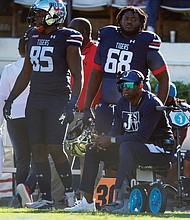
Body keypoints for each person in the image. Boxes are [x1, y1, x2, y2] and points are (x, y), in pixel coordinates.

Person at [3, 0, 83, 210]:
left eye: (40, 13)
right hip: (35, 99)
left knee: (55, 148)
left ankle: (69, 195)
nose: (36, 17)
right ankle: (46, 197)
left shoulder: (68, 36)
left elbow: (78, 75)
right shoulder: (32, 35)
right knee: (37, 148)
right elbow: (26, 73)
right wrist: (11, 99)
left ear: (54, 15)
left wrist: (71, 104)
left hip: (57, 98)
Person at [64, 69, 174, 213]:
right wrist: (103, 140)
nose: (125, 89)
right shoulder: (122, 102)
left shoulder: (151, 103)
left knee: (126, 147)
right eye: (122, 85)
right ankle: (87, 201)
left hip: (159, 148)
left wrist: (112, 139)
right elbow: (116, 130)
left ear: (140, 86)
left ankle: (121, 199)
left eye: (128, 85)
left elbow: (142, 137)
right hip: (132, 147)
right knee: (93, 149)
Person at [82, 6, 170, 137]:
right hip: (107, 106)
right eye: (126, 18)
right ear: (119, 20)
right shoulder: (107, 38)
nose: (129, 22)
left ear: (141, 23)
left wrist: (157, 109)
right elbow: (95, 75)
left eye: (134, 19)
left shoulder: (145, 43)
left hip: (135, 110)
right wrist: (87, 106)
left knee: (130, 146)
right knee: (103, 145)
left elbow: (164, 79)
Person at [50, 17, 100, 204]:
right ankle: (56, 200)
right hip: (66, 113)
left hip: (90, 114)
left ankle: (88, 203)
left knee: (91, 161)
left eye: (74, 30)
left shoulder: (98, 51)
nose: (69, 33)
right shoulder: (64, 49)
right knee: (59, 157)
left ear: (85, 34)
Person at [0, 36, 36, 207]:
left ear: (19, 50)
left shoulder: (8, 69)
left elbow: (2, 97)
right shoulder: (38, 67)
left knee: (22, 159)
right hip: (35, 115)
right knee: (40, 156)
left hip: (14, 116)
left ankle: (21, 198)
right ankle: (28, 187)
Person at [155, 83, 190, 193]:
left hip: (171, 145)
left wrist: (173, 148)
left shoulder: (180, 111)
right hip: (155, 143)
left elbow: (183, 134)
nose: (158, 95)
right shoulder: (153, 106)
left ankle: (170, 190)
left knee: (176, 160)